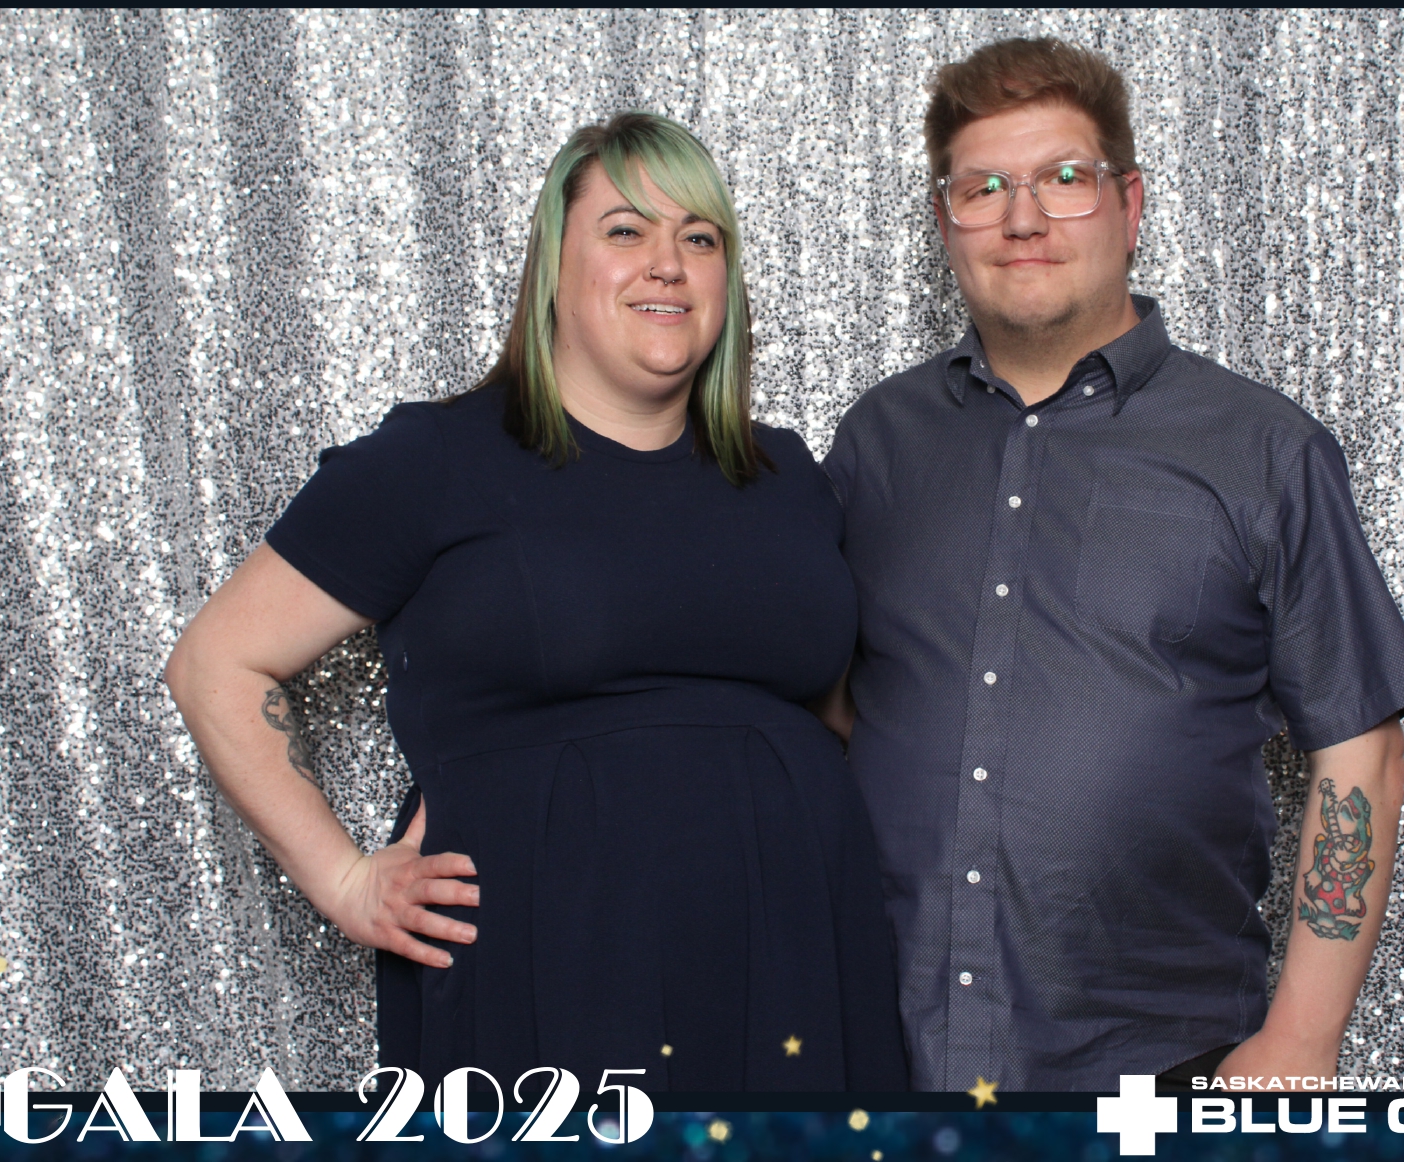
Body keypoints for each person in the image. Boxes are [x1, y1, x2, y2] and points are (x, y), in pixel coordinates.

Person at [164, 112, 908, 1093]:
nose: (668, 264)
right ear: (553, 265)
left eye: (700, 238)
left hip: (798, 960)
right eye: (625, 230)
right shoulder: (435, 461)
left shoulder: (788, 476)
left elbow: (844, 712)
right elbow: (215, 661)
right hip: (545, 964)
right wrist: (342, 879)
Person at [821, 38, 1404, 1094]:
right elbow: (824, 698)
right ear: (945, 220)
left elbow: (1359, 749)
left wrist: (1302, 1039)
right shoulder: (878, 440)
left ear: (1129, 203)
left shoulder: (1263, 449)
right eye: (983, 187)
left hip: (1158, 1058)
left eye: (1064, 177)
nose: (1023, 218)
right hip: (883, 1046)